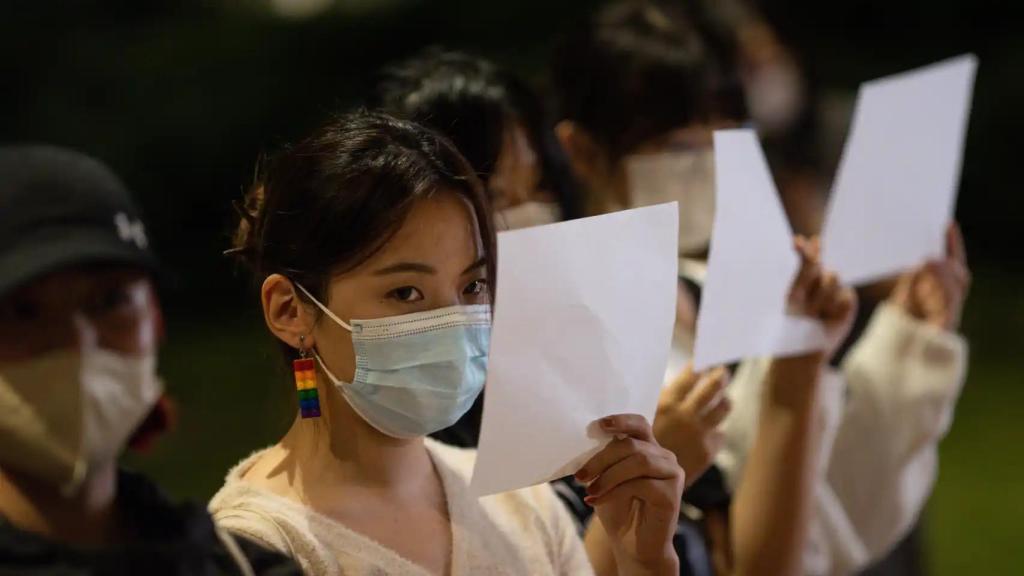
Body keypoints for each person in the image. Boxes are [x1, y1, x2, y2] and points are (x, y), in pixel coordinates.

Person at [550, 2, 970, 574]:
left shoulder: (727, 289)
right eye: (675, 145)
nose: (706, 164)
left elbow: (826, 513)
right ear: (582, 150)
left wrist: (909, 336)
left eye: (723, 137)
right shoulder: (558, 317)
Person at [210, 110, 687, 576]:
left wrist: (644, 563)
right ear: (289, 310)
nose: (452, 323)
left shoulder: (524, 506)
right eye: (406, 293)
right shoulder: (255, 547)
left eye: (472, 287)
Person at [371, 47, 735, 573]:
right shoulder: (437, 398)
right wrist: (636, 495)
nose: (527, 213)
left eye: (540, 187)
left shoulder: (590, 346)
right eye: (495, 195)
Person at [0, 145, 301, 575]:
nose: (78, 343)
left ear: (155, 320)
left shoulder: (240, 567)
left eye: (110, 301)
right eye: (23, 312)